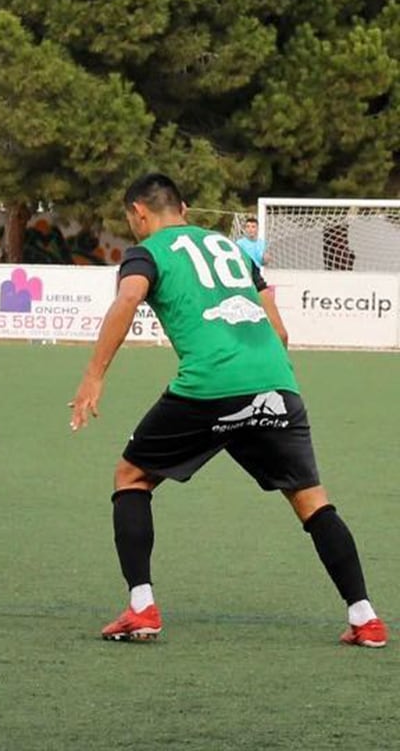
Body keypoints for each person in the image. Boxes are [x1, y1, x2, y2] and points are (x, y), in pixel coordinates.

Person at [70, 173, 385, 646]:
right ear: (186, 208)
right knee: (310, 499)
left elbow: (129, 298)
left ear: (138, 212)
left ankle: (141, 608)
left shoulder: (147, 253)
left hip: (211, 384)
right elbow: (279, 331)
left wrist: (93, 376)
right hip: (276, 381)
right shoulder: (233, 250)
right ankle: (365, 618)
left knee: (131, 476)